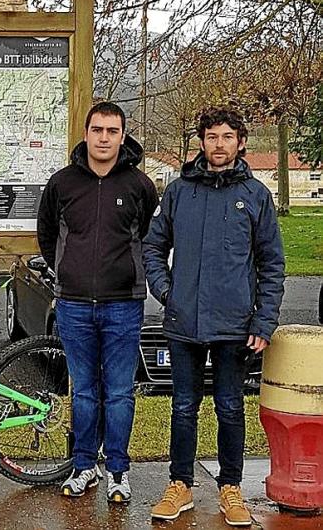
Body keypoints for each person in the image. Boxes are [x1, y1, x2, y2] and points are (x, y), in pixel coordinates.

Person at [143, 107, 285, 527]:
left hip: (235, 326)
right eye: (211, 136)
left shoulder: (256, 195)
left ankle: (231, 488)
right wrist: (166, 291)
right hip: (184, 322)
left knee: (229, 408)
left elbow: (272, 264)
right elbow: (153, 247)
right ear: (200, 141)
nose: (218, 144)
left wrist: (263, 321)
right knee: (184, 407)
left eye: (227, 137)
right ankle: (180, 485)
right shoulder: (179, 192)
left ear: (241, 141)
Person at [37, 101, 158, 504]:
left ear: (123, 136)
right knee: (85, 392)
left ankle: (118, 472)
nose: (104, 138)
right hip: (73, 305)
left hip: (123, 304)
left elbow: (146, 236)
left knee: (120, 392)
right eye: (97, 130)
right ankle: (84, 465)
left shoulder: (139, 186)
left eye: (112, 130)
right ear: (85, 134)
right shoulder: (62, 184)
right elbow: (48, 234)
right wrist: (67, 272)